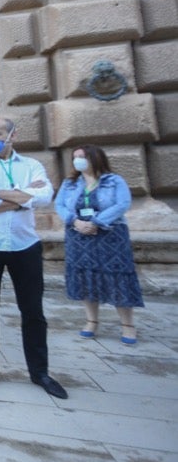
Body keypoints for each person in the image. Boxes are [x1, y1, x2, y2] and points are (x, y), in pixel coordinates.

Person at [0, 117, 67, 399]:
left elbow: (44, 196)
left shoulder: (31, 166)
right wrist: (22, 198)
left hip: (25, 245)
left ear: (12, 136)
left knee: (33, 311)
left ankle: (39, 372)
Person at [55, 145, 143, 345]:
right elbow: (59, 205)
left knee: (117, 277)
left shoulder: (114, 181)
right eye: (75, 157)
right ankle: (91, 321)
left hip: (110, 236)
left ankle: (127, 324)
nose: (78, 161)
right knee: (86, 277)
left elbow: (122, 204)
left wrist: (97, 222)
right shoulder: (69, 183)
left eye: (82, 157)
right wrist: (75, 221)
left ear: (95, 158)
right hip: (78, 236)